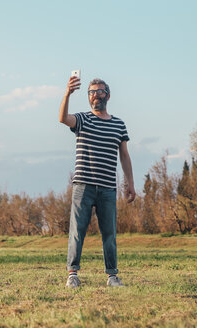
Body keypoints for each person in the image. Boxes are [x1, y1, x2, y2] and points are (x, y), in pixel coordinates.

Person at [58, 76, 136, 288]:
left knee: (109, 234)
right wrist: (67, 93)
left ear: (108, 95)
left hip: (108, 188)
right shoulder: (83, 119)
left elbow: (125, 156)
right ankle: (72, 274)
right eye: (92, 92)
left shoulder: (119, 124)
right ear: (89, 97)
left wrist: (130, 183)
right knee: (77, 232)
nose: (96, 95)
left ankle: (112, 276)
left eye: (100, 91)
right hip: (83, 186)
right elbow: (63, 118)